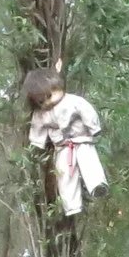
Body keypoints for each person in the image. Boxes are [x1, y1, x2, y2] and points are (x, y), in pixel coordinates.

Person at [25, 67, 107, 215]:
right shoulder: (41, 114)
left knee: (89, 163)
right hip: (62, 147)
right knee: (64, 175)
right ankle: (72, 205)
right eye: (42, 101)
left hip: (82, 141)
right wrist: (37, 142)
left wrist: (94, 128)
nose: (48, 102)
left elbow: (87, 112)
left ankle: (97, 184)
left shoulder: (73, 101)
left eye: (50, 95)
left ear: (57, 87)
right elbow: (37, 127)